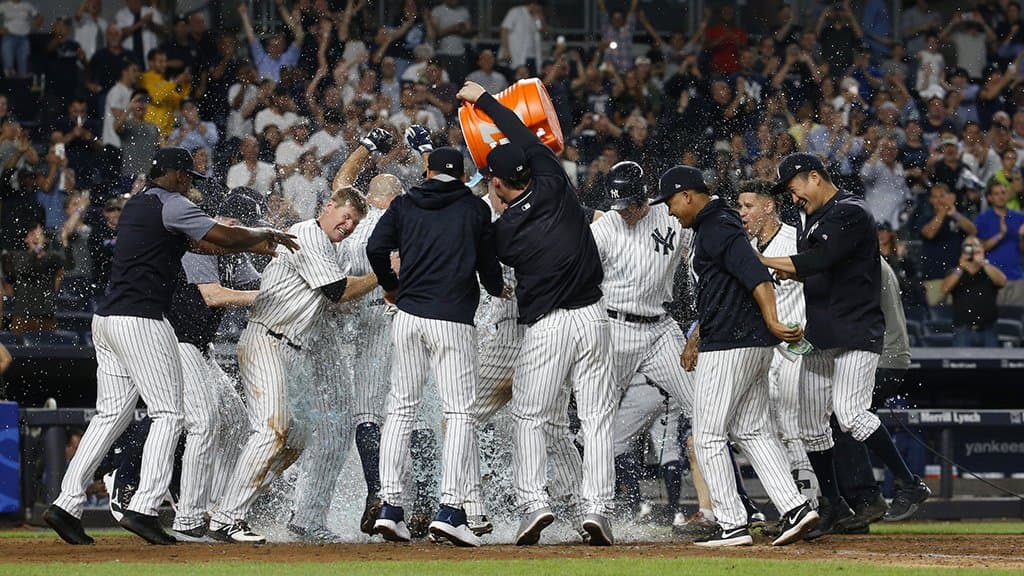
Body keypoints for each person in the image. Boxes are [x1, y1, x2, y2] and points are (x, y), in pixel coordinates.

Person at [43, 147, 299, 546]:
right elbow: (222, 237)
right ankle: (144, 508)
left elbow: (206, 244)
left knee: (110, 415)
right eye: (189, 177)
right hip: (143, 320)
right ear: (177, 174)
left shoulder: (136, 204)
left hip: (107, 320)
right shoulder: (172, 202)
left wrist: (246, 243)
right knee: (170, 413)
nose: (191, 186)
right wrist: (262, 234)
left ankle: (65, 501)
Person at [456, 80, 617, 547]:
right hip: (592, 319)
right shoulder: (552, 181)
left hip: (545, 328)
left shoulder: (501, 230)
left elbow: (488, 272)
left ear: (499, 184)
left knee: (529, 416)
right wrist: (483, 98)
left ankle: (534, 504)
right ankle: (597, 509)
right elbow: (523, 133)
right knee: (597, 418)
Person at [759, 152, 931, 538]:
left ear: (815, 177)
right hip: (822, 333)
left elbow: (819, 260)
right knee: (810, 425)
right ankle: (834, 505)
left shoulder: (851, 211)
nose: (793, 197)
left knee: (850, 413)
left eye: (794, 187)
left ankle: (909, 483)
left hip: (856, 330)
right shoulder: (810, 217)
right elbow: (814, 269)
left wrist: (760, 260)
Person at [208, 167, 379, 544]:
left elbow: (333, 300)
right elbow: (337, 291)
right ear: (327, 206)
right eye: (345, 216)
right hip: (267, 340)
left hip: (292, 350)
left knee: (297, 437)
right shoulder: (308, 234)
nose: (348, 225)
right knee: (273, 430)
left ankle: (229, 501)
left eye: (354, 222)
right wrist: (383, 273)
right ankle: (225, 516)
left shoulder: (327, 247)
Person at [651, 165, 817, 547]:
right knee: (752, 429)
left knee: (707, 435)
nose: (670, 211)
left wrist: (774, 319)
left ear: (688, 196)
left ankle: (732, 524)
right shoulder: (716, 224)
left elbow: (754, 273)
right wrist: (696, 336)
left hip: (732, 344)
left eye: (672, 202)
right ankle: (795, 507)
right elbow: (720, 290)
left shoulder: (716, 225)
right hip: (743, 341)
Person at [367, 121, 504, 546]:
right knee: (460, 413)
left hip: (408, 316)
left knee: (401, 410)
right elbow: (489, 269)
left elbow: (375, 248)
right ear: (463, 176)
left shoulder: (405, 204)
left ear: (428, 173)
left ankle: (390, 507)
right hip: (452, 320)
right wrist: (498, 288)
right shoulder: (475, 209)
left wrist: (392, 287)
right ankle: (450, 509)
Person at [735, 179, 817, 502]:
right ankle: (792, 503)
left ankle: (811, 501)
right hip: (765, 354)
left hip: (798, 350)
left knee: (796, 428)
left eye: (748, 206)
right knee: (768, 432)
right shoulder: (742, 247)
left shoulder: (797, 239)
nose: (742, 213)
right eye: (739, 207)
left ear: (768, 207)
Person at [831, 257, 911, 534]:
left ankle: (867, 499)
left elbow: (844, 312)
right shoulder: (870, 258)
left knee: (842, 421)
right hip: (885, 355)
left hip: (881, 357)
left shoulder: (864, 263)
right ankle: (857, 505)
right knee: (841, 422)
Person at [911, 182, 977, 306]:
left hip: (957, 277)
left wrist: (954, 214)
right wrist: (944, 210)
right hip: (934, 278)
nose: (939, 200)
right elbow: (930, 233)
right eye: (935, 197)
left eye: (942, 196)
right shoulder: (924, 218)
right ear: (930, 200)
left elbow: (973, 230)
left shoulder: (957, 217)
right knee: (935, 318)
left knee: (958, 318)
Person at [942, 236, 1007, 347]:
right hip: (963, 330)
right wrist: (961, 267)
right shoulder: (956, 272)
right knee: (960, 364)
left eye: (975, 246)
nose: (972, 250)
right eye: (968, 247)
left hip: (988, 329)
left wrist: (983, 263)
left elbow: (1002, 282)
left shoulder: (988, 270)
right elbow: (945, 289)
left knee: (992, 363)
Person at [975, 182, 1024, 306]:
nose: (1001, 196)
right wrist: (1000, 235)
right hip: (992, 279)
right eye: (996, 194)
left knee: (1016, 321)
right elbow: (979, 249)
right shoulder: (982, 219)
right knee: (993, 321)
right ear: (990, 198)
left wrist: (1022, 237)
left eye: (1003, 193)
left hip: (1016, 278)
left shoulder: (1019, 218)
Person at [115, 0, 164, 70]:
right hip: (129, 62)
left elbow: (162, 31)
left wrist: (150, 23)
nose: (134, 2)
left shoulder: (152, 12)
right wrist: (142, 22)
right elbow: (122, 33)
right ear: (126, 2)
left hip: (151, 60)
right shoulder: (121, 14)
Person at [499, 1, 544, 75]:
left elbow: (542, 31)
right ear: (533, 4)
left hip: (532, 56)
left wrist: (541, 19)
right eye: (538, 8)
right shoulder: (516, 12)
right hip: (515, 54)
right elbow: (504, 29)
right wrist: (505, 49)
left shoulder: (536, 18)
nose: (539, 11)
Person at [0, 0, 43, 78]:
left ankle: (22, 87)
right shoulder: (4, 5)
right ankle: (9, 87)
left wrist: (33, 28)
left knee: (24, 67)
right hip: (9, 37)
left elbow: (39, 18)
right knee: (8, 66)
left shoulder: (27, 5)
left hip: (24, 39)